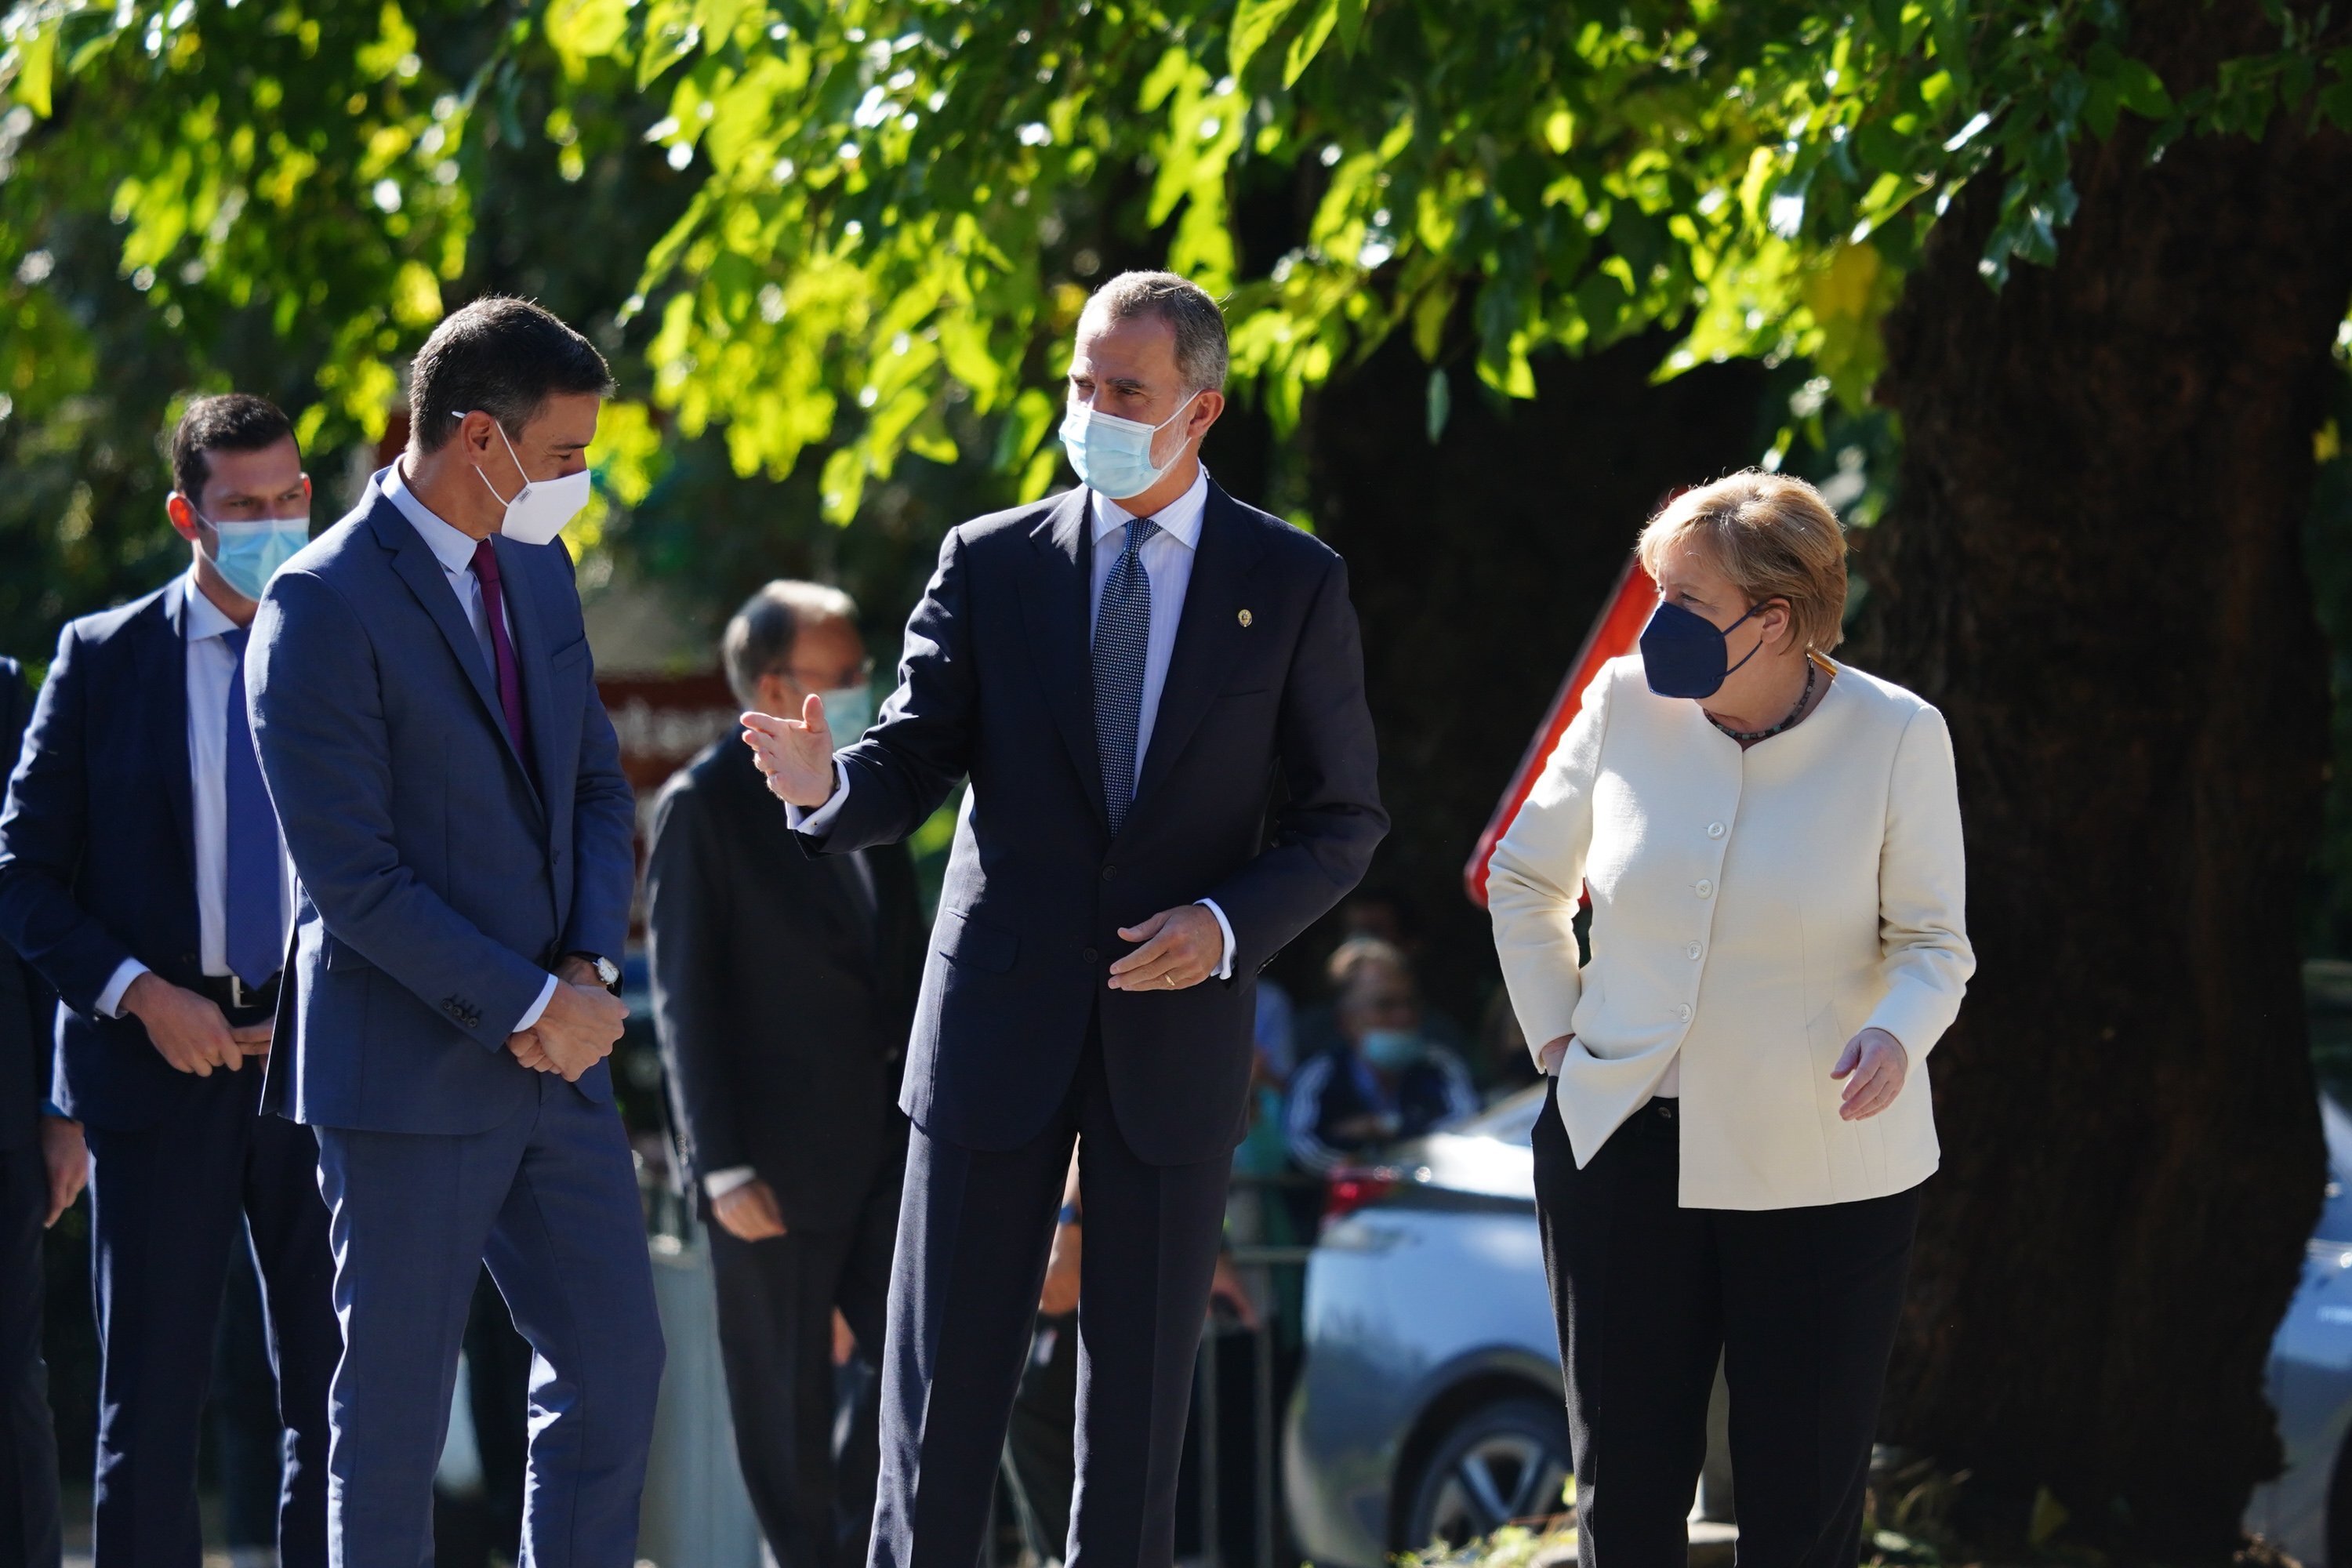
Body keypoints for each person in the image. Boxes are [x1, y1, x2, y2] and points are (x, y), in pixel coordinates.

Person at [742, 269, 1386, 1566]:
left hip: (1173, 1041)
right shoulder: (993, 563)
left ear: (1199, 412)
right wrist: (829, 789)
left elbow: (1342, 821)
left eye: (1125, 391)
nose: (1090, 411)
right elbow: (912, 759)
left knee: (1136, 1430)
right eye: (1080, 384)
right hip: (995, 1030)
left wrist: (1224, 923)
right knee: (937, 1413)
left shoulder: (1292, 581)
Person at [1486, 470, 1973, 1568]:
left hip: (1825, 1171)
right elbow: (1524, 881)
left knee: (1801, 1511)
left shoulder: (1898, 735)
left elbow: (1936, 945)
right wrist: (1561, 1038)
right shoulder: (1620, 703)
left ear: (1779, 619)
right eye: (1657, 590)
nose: (1657, 622)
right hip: (1619, 1152)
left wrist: (1897, 1032)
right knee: (1627, 1499)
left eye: (1688, 602)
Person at [245, 296, 660, 1568]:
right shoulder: (318, 606)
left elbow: (594, 783)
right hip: (407, 1070)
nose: (576, 486)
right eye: (567, 456)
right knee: (392, 1418)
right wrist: (533, 1007)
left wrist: (585, 970)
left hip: (563, 1058)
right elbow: (356, 884)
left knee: (616, 1369)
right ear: (479, 438)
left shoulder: (535, 566)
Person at [0, 396, 340, 1567]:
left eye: (291, 497)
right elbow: (24, 874)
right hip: (157, 1069)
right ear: (185, 514)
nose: (275, 523)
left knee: (337, 1402)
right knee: (148, 1409)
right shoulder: (102, 662)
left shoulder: (350, 646)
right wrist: (144, 994)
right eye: (242, 508)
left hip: (323, 1064)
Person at [646, 579, 927, 1567]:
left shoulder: (866, 793)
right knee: (783, 1407)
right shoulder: (705, 807)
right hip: (769, 1170)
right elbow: (684, 996)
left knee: (912, 1380)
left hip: (886, 1155)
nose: (863, 688)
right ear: (772, 683)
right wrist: (718, 1166)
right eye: (841, 673)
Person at [0, 652, 82, 1568]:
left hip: (7, 1112)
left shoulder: (3, 691)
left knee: (9, 1383)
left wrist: (64, 1107)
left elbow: (36, 889)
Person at [1283, 936, 1477, 1174]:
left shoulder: (1441, 1066)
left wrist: (1383, 1128)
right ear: (1347, 1020)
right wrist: (1372, 1172)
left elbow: (1466, 1130)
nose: (1403, 1016)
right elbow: (1305, 1147)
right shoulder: (1319, 1075)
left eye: (1410, 1003)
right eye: (1385, 1005)